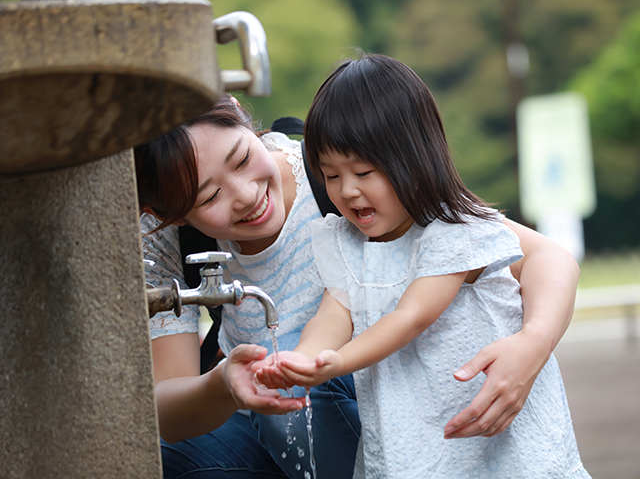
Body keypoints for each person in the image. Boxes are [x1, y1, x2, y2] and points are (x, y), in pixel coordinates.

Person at [135, 89, 580, 478]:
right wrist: (225, 383)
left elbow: (543, 255)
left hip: (386, 397)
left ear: (238, 112)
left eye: (242, 158)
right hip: (281, 419)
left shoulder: (337, 174)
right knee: (158, 454)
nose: (247, 195)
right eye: (210, 196)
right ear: (165, 213)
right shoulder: (166, 241)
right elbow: (167, 410)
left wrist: (531, 346)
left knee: (303, 372)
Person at [253, 54, 590, 478]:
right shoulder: (344, 241)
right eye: (331, 175)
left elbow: (412, 315)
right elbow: (334, 312)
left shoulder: (452, 230)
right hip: (410, 443)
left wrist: (337, 364)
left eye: (364, 170)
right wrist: (303, 359)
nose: (348, 190)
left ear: (414, 158)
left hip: (499, 446)